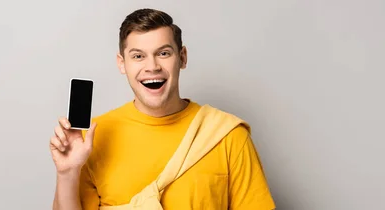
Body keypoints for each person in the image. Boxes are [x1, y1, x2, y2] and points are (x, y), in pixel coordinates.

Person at [49, 8, 275, 210]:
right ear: (122, 63)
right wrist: (67, 172)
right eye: (138, 56)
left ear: (182, 57)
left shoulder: (228, 135)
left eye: (163, 53)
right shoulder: (91, 138)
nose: (152, 67)